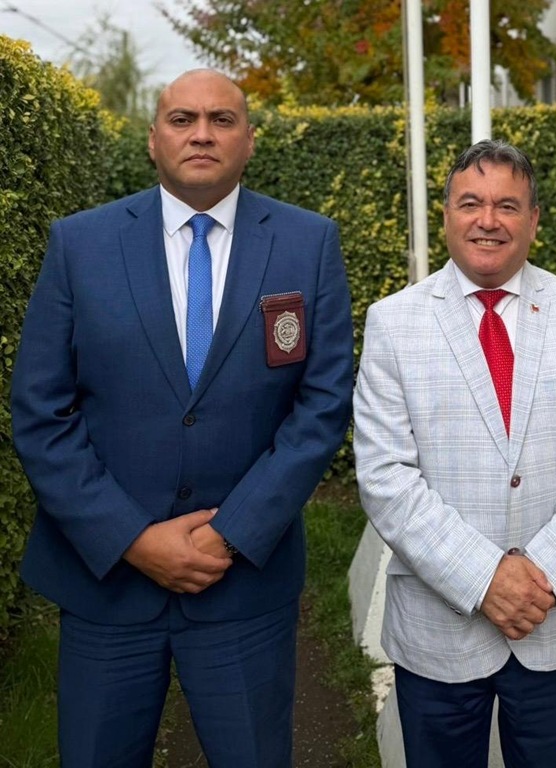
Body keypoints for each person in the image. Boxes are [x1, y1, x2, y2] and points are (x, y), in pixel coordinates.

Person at [10, 69, 353, 768]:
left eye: (222, 120)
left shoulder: (307, 243)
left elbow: (322, 404)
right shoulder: (80, 245)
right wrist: (132, 539)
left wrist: (232, 533)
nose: (202, 134)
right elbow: (41, 410)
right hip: (107, 586)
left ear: (249, 141)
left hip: (243, 586)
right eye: (182, 119)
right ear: (152, 139)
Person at [353, 139, 556, 767]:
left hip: (555, 617)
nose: (488, 220)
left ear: (533, 220)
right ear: (447, 215)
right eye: (471, 203)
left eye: (508, 206)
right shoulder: (393, 323)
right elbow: (385, 476)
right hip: (438, 627)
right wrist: (484, 578)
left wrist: (543, 575)